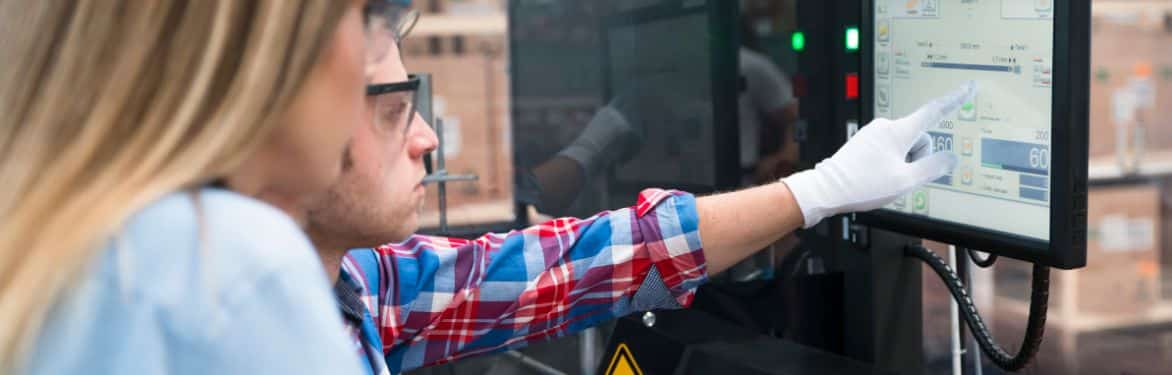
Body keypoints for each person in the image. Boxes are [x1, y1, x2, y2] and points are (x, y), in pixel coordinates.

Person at [304, 6, 975, 373]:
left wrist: (818, 189)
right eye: (394, 110)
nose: (425, 137)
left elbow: (578, 265)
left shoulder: (368, 287)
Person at [0, 1, 388, 373]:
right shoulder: (226, 266)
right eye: (364, 16)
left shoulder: (60, 247)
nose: (369, 64)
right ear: (279, 40)